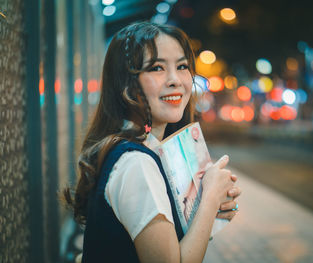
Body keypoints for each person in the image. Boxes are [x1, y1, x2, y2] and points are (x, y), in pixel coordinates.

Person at [63, 21, 241, 263]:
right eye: (157, 68)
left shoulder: (135, 148)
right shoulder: (136, 164)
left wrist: (203, 216)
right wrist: (209, 198)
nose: (175, 80)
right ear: (126, 83)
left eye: (182, 66)